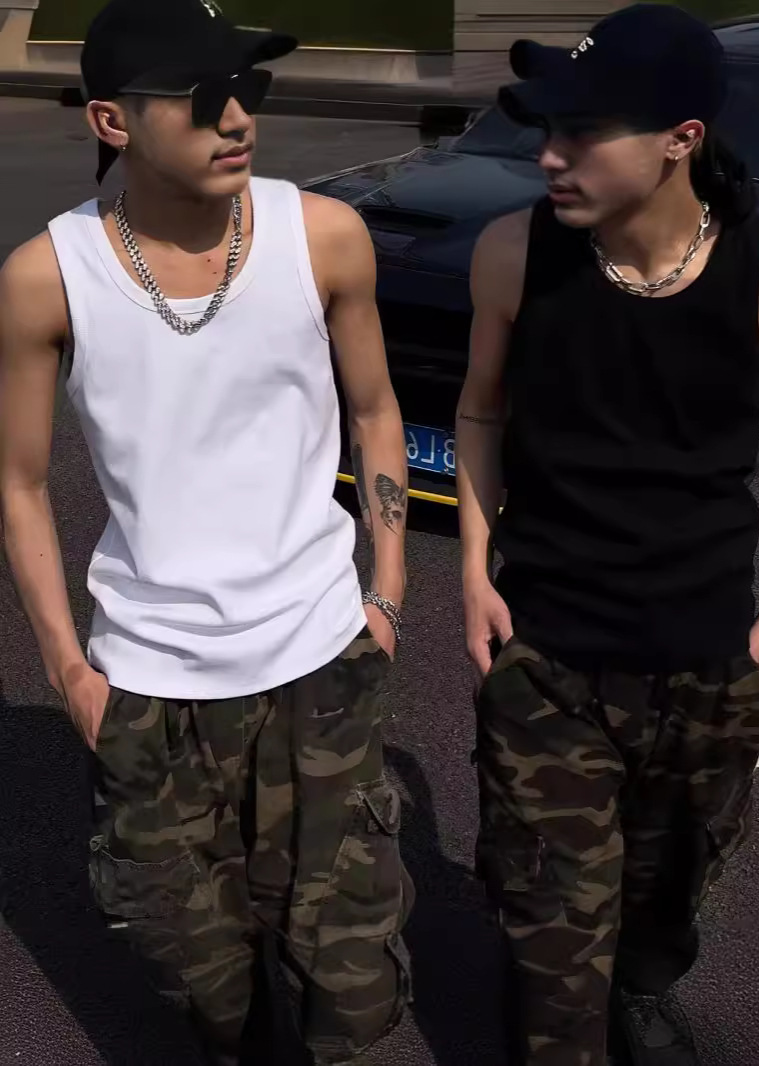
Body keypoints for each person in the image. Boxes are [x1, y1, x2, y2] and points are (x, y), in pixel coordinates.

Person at [0, 1, 412, 1063]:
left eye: (247, 90)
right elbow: (20, 481)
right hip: (149, 681)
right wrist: (67, 669)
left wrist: (388, 588)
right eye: (201, 98)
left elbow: (374, 410)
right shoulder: (47, 276)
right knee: (202, 980)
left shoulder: (322, 236)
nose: (236, 118)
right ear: (112, 119)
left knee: (350, 987)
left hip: (321, 658)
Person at [456, 5, 759, 1065]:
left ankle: (641, 989)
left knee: (671, 882)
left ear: (679, 140)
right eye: (545, 130)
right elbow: (479, 412)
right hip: (550, 652)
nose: (548, 156)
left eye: (581, 133)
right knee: (553, 932)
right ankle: (559, 1003)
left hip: (706, 658)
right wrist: (470, 569)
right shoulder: (513, 253)